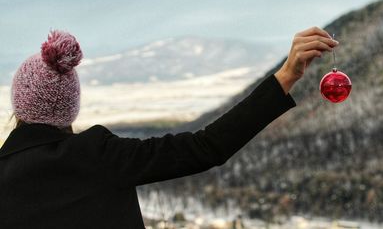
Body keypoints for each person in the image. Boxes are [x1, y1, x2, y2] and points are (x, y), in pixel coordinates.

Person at [0, 27, 338, 228]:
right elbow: (206, 146)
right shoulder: (99, 156)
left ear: (19, 105)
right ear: (69, 108)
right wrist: (286, 76)